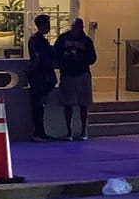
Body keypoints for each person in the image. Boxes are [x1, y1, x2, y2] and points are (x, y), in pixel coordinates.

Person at [54, 17, 97, 140]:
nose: (76, 29)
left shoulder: (86, 41)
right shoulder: (63, 39)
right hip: (67, 74)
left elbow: (93, 58)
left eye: (78, 27)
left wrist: (81, 59)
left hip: (82, 74)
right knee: (68, 103)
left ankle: (83, 129)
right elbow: (56, 53)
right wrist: (62, 61)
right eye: (74, 26)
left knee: (84, 103)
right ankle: (69, 130)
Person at [26, 13, 55, 141]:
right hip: (40, 76)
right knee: (38, 105)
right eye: (47, 24)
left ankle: (40, 131)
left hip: (42, 75)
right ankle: (38, 132)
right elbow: (38, 58)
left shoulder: (40, 41)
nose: (49, 27)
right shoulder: (36, 41)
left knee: (40, 105)